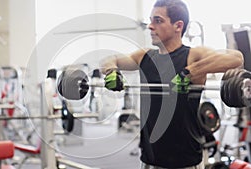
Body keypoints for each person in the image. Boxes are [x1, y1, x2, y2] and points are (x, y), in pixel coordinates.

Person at [100, 0, 244, 168]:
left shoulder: (193, 55)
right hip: (149, 158)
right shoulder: (145, 56)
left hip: (186, 160)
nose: (150, 26)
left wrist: (188, 72)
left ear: (178, 26)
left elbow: (236, 58)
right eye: (150, 20)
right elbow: (111, 60)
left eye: (158, 20)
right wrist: (111, 71)